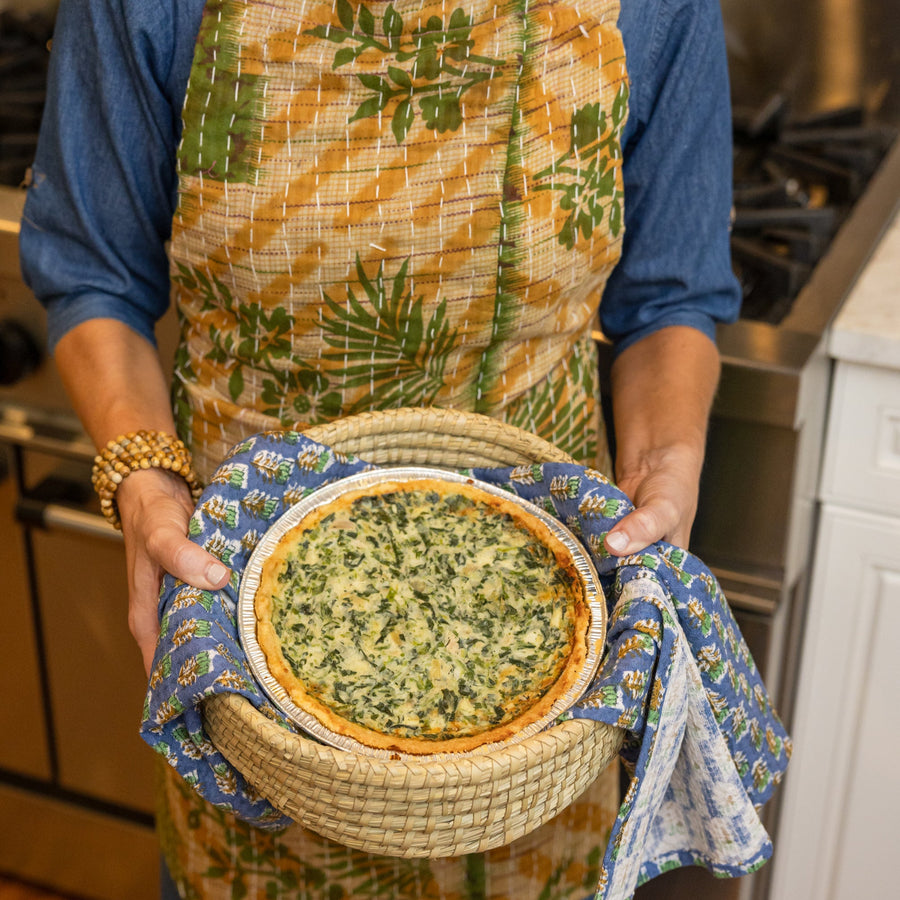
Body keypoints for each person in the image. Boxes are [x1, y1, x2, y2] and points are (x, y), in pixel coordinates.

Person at [20, 0, 740, 897]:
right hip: (248, 613)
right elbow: (93, 275)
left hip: (543, 627)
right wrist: (143, 476)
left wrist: (666, 465)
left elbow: (671, 300)